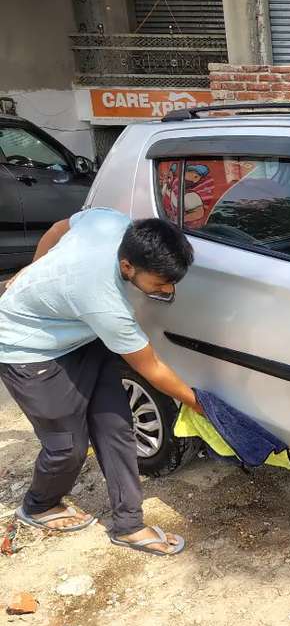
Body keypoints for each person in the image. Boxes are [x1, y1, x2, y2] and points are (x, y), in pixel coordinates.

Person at [0, 208, 200, 556]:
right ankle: (39, 506)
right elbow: (150, 366)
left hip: (82, 337)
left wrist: (34, 268)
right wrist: (199, 403)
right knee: (67, 445)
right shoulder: (104, 302)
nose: (166, 289)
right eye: (158, 284)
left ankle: (129, 525)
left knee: (116, 425)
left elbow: (58, 225)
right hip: (27, 350)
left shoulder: (109, 221)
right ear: (127, 267)